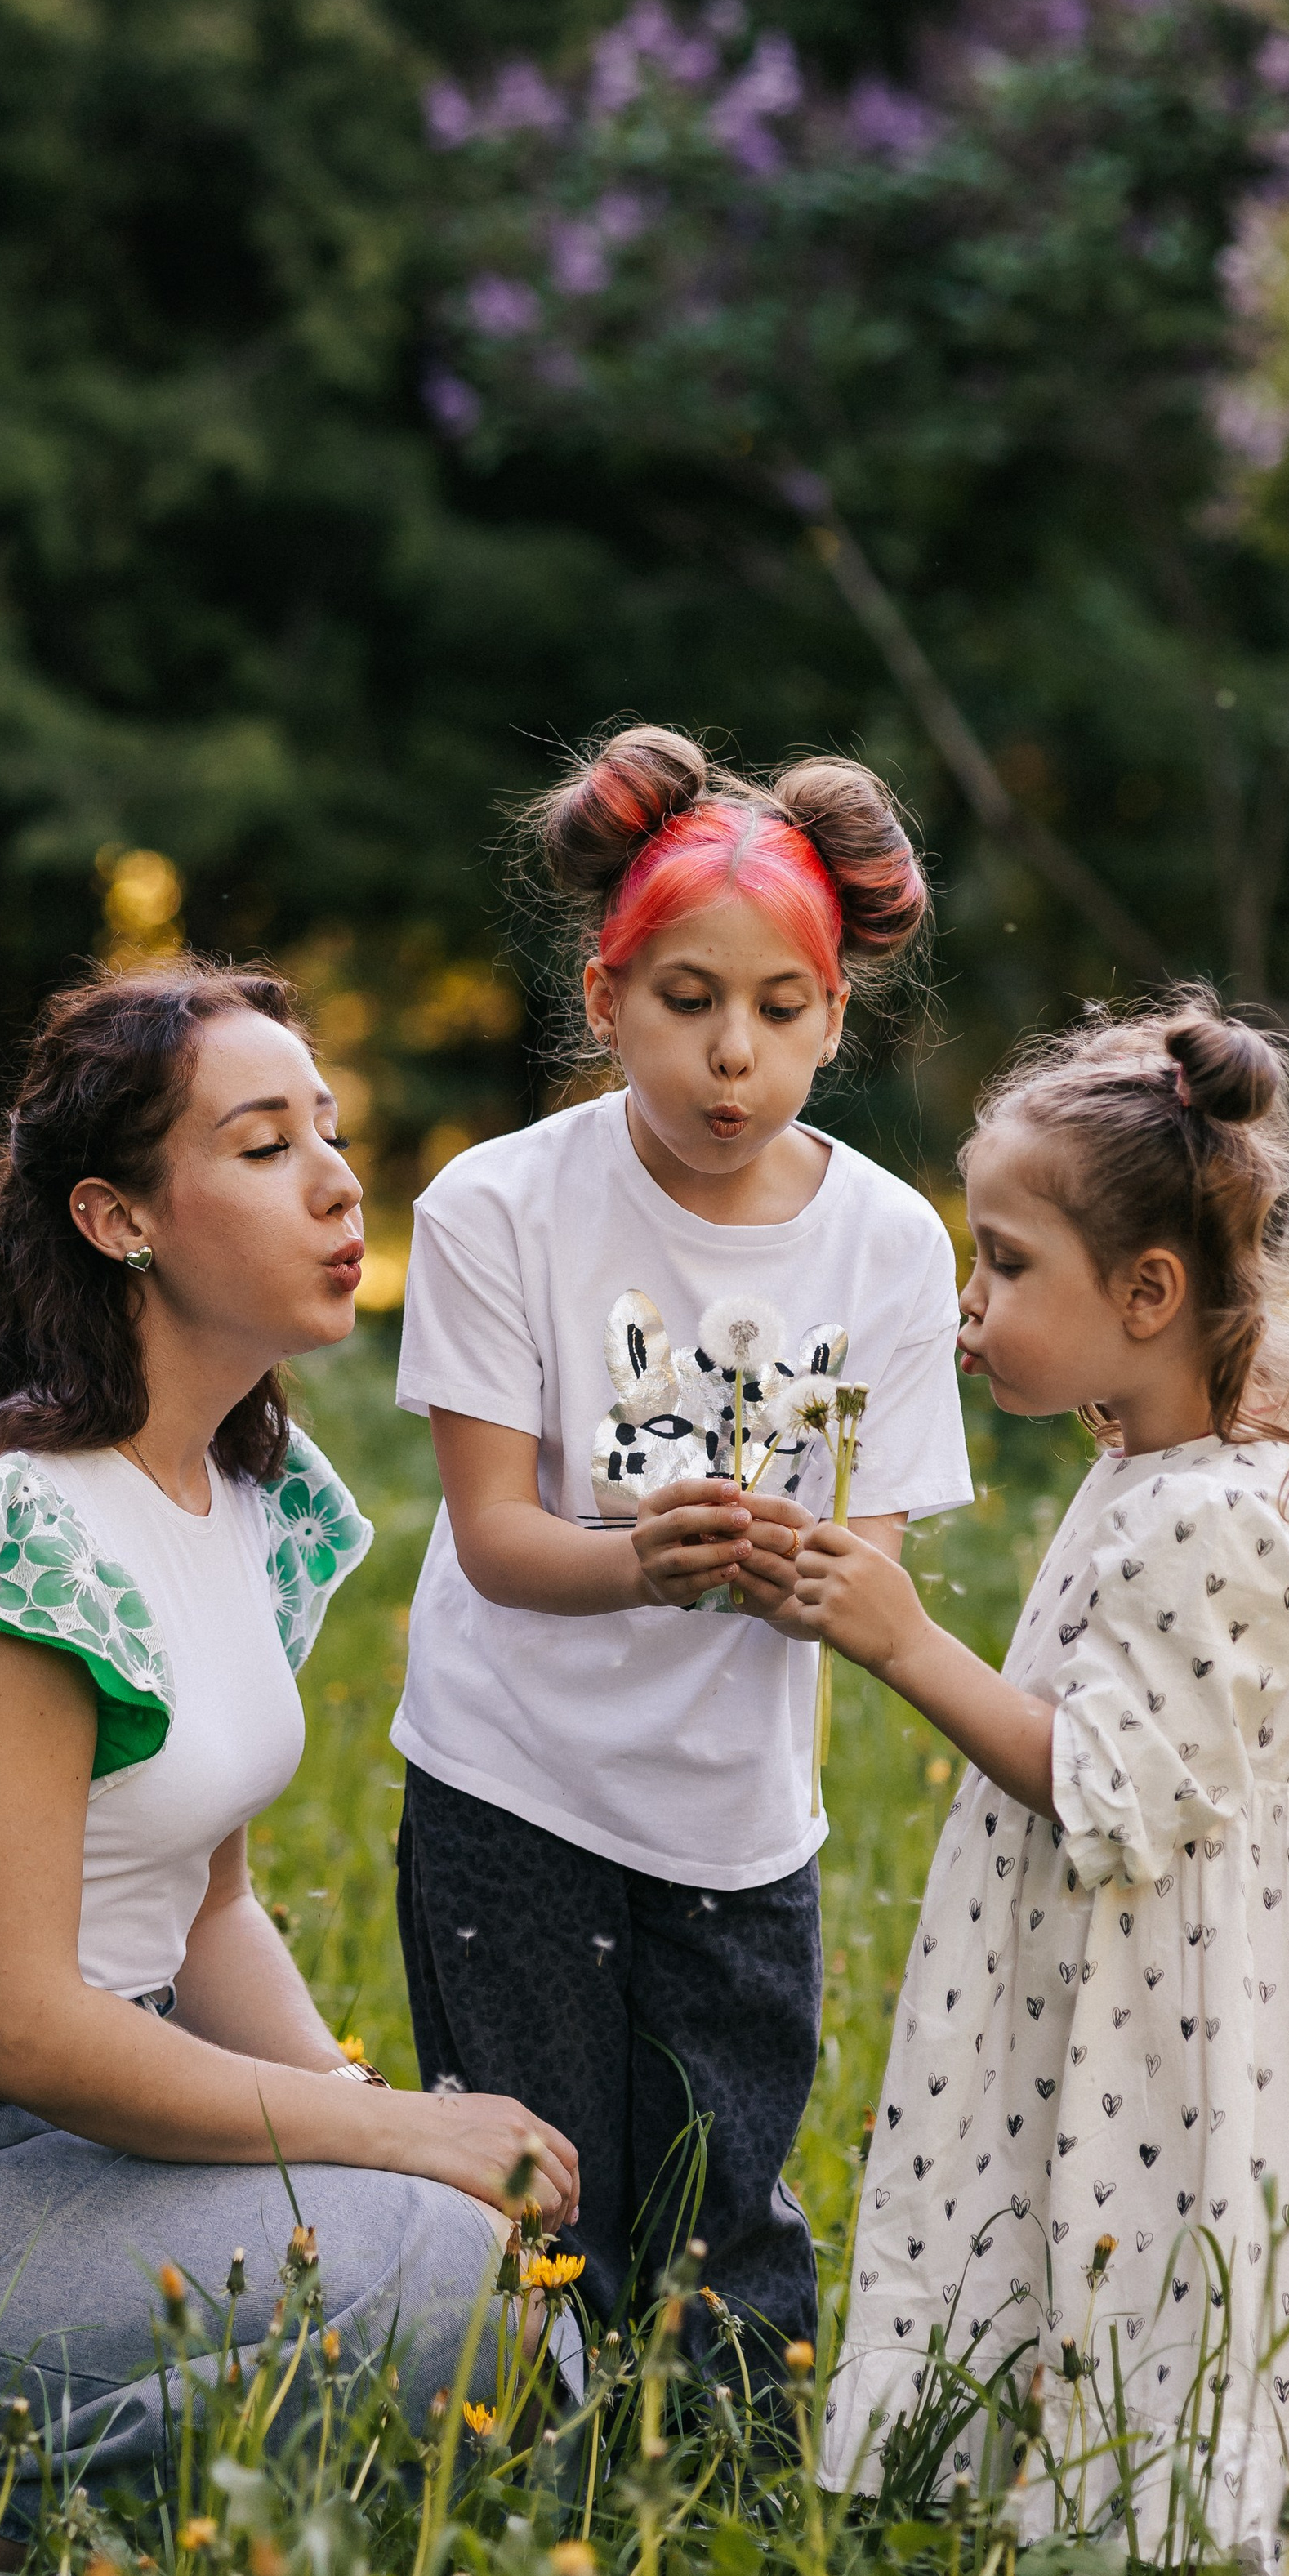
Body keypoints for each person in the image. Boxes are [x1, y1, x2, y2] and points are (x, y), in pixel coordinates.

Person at [0, 959, 578, 2518]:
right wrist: (386, 2136)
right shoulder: (14, 1535)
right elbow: (17, 2028)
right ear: (120, 1218)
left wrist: (402, 2137)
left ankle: (104, 2478)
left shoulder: (245, 1494)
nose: (337, 1184)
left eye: (331, 1131)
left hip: (85, 2139)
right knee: (440, 2276)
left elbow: (211, 1911)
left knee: (490, 2258)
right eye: (262, 1146)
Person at [797, 993, 1289, 2576]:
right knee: (1144, 2273)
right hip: (1151, 1972)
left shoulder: (1208, 1516)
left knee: (1201, 2280)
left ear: (1145, 1292)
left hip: (1191, 2003)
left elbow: (1102, 1784)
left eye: (1002, 1263)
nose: (967, 1305)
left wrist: (901, 1643)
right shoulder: (1166, 1462)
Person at [389, 725, 970, 2377]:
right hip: (510, 1787)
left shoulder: (885, 1243)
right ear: (602, 1000)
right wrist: (644, 1560)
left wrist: (814, 1575)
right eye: (684, 1001)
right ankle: (515, 2491)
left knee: (720, 2201)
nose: (732, 1056)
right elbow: (498, 1541)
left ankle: (717, 2523)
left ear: (832, 1017)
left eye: (778, 1012)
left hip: (732, 1808)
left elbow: (866, 1559)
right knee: (533, 2182)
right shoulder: (494, 1212)